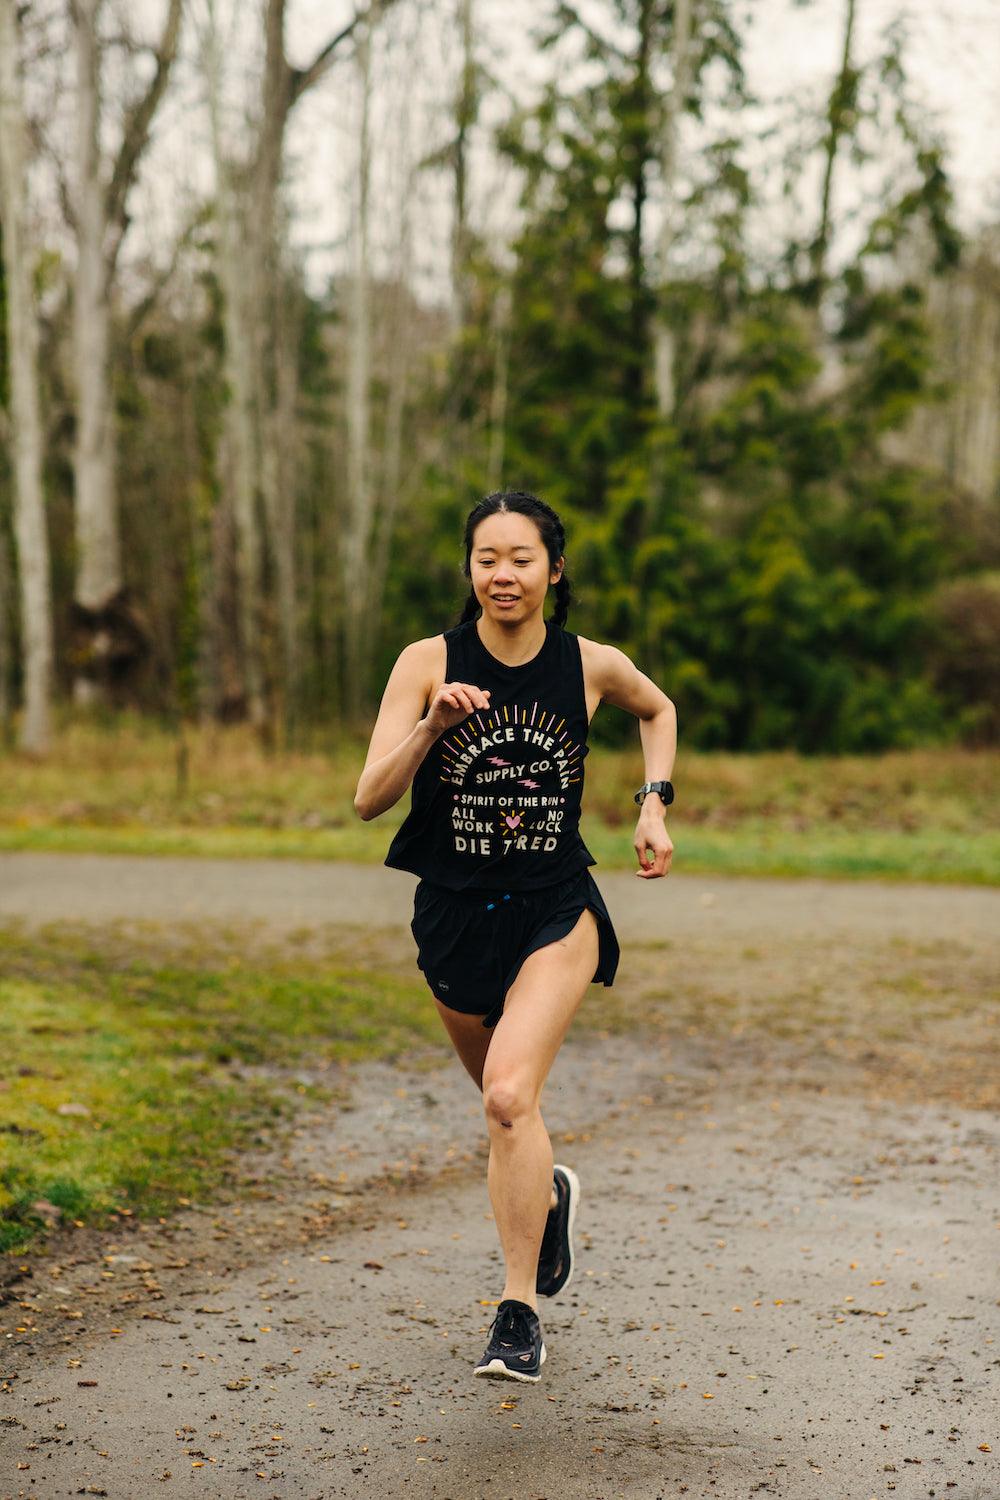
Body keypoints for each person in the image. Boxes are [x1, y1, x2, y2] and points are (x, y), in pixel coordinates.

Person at [354, 492, 675, 1383]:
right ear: (470, 569)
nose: (504, 573)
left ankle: (517, 1313)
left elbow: (660, 710)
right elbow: (369, 798)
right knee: (511, 1117)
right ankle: (551, 1191)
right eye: (487, 557)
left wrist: (653, 804)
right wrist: (432, 728)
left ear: (553, 570)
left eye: (522, 558)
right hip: (453, 913)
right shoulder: (427, 661)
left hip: (553, 905)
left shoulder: (589, 665)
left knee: (505, 1098)